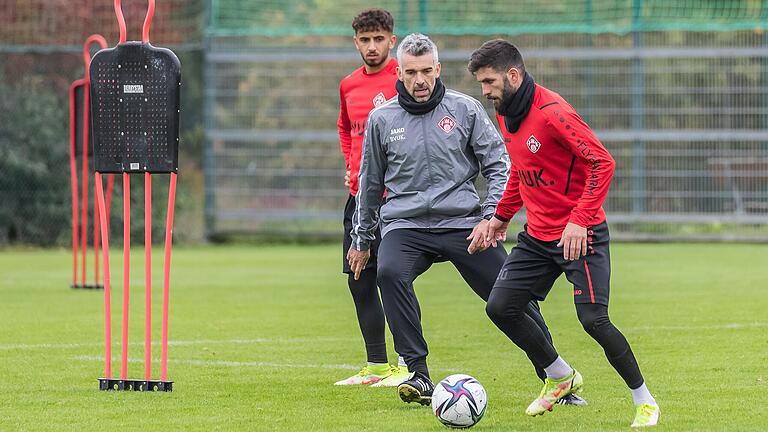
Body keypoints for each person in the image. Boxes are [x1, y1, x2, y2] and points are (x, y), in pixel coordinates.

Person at [347, 33, 584, 408]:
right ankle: (418, 373)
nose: (420, 80)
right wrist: (361, 240)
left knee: (511, 295)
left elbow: (500, 166)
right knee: (390, 272)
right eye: (411, 72)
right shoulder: (381, 118)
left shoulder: (466, 109)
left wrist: (491, 217)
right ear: (399, 72)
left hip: (464, 224)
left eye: (427, 71)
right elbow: (370, 183)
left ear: (438, 69)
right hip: (405, 226)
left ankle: (555, 377)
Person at [467, 39, 660, 427]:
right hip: (538, 237)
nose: (484, 91)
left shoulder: (553, 112)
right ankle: (559, 376)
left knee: (593, 320)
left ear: (514, 75)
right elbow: (522, 174)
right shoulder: (506, 114)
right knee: (500, 306)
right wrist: (499, 218)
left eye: (489, 82)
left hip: (580, 237)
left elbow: (602, 163)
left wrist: (580, 218)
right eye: (481, 83)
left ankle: (645, 401)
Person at [334, 8, 410, 387]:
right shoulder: (348, 85)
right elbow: (346, 127)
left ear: (391, 41)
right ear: (356, 42)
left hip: (395, 200)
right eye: (365, 40)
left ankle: (406, 364)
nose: (372, 46)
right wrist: (351, 162)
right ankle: (377, 365)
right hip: (359, 199)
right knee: (359, 279)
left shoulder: (405, 78)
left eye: (379, 39)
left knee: (391, 277)